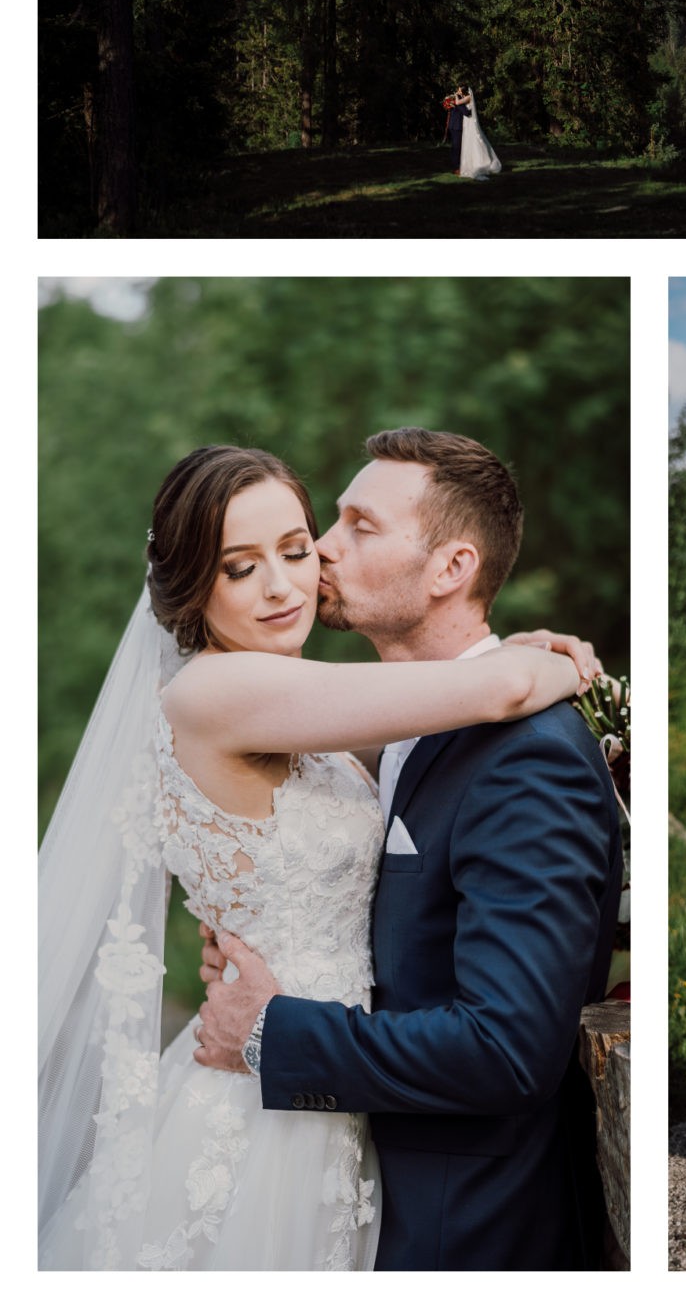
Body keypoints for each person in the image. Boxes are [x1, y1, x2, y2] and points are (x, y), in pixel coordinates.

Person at [37, 442, 606, 1269]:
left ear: (452, 566)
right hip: (257, 1125)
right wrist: (544, 662)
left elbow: (462, 703)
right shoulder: (215, 691)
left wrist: (517, 655)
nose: (303, 569)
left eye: (306, 545)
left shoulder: (348, 729)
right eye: (239, 566)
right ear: (193, 582)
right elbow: (495, 689)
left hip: (366, 1143)